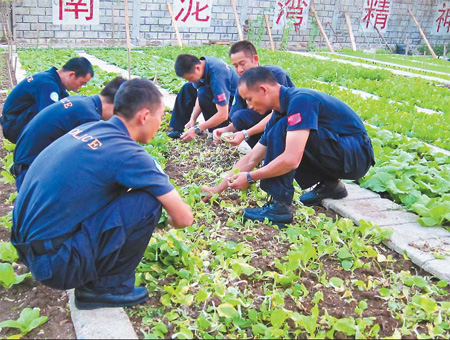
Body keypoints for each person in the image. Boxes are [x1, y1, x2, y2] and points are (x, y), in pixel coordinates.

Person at [11, 78, 193, 309]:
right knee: (148, 202)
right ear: (145, 116)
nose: (161, 124)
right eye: (161, 116)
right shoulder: (130, 154)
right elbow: (184, 218)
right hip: (56, 266)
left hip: (31, 251)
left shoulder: (87, 128)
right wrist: (166, 220)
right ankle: (106, 287)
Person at [202, 67, 375, 226]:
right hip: (343, 154)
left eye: (249, 99)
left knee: (287, 130)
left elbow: (291, 160)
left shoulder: (300, 101)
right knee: (286, 130)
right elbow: (252, 157)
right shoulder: (279, 112)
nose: (249, 105)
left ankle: (280, 206)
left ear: (263, 90)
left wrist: (250, 177)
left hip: (357, 156)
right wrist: (217, 189)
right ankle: (331, 185)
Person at [11, 77, 127, 191]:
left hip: (28, 166)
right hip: (31, 175)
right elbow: (92, 161)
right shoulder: (87, 116)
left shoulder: (83, 102)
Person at [213, 40, 295, 148]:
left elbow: (280, 112)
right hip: (263, 120)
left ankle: (271, 151)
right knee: (239, 116)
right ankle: (260, 151)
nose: (240, 70)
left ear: (255, 60)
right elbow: (239, 117)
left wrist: (246, 133)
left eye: (242, 64)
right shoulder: (243, 84)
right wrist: (224, 130)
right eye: (235, 66)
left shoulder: (275, 74)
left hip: (286, 119)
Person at [1, 57, 94, 143]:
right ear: (71, 75)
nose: (80, 87)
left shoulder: (51, 79)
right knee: (53, 116)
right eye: (82, 83)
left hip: (17, 120)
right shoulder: (48, 85)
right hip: (13, 127)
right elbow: (49, 118)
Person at [167, 54, 239, 141]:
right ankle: (178, 129)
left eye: (190, 77)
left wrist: (197, 129)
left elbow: (223, 114)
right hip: (218, 99)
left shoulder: (218, 76)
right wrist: (193, 119)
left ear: (197, 68)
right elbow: (199, 95)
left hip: (233, 107)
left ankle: (217, 131)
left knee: (205, 91)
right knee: (188, 87)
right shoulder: (202, 66)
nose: (190, 80)